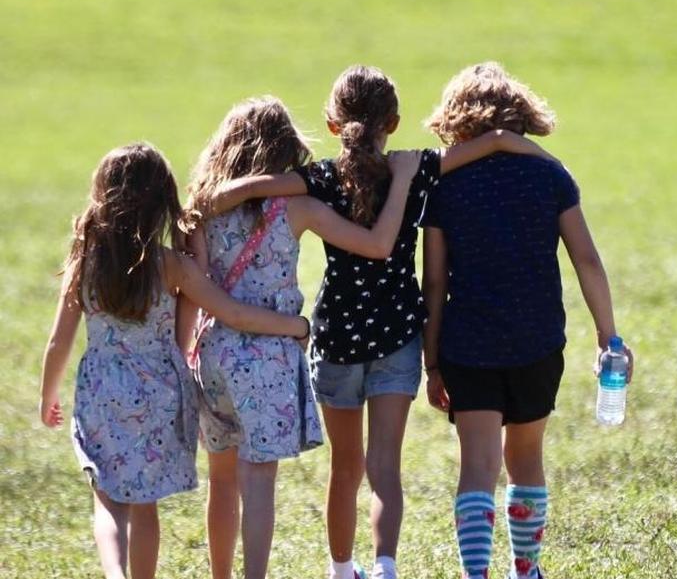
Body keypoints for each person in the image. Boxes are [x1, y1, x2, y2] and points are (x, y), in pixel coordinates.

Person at [200, 65, 556, 579]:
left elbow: (242, 190)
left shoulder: (319, 178)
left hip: (338, 338)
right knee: (385, 469)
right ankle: (385, 566)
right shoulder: (416, 169)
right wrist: (535, 152)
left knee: (344, 470)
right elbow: (494, 141)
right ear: (394, 120)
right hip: (397, 337)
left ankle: (343, 570)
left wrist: (213, 196)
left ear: (330, 122)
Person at [183, 95, 429, 579]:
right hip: (268, 360)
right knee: (259, 479)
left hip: (211, 354)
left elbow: (192, 291)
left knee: (221, 480)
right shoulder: (296, 210)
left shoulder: (201, 211)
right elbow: (375, 245)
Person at [37, 143, 310, 579]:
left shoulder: (83, 263)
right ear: (161, 203)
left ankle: (114, 573)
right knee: (145, 505)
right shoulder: (170, 266)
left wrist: (47, 394)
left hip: (102, 392)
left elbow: (57, 342)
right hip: (161, 390)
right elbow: (233, 313)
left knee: (108, 499)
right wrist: (295, 326)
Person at [420, 62, 634, 579]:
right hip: (537, 341)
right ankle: (526, 569)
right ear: (522, 115)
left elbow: (434, 281)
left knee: (476, 466)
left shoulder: (445, 187)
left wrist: (432, 359)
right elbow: (586, 259)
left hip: (467, 344)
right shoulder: (549, 174)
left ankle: (477, 573)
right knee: (527, 457)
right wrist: (610, 336)